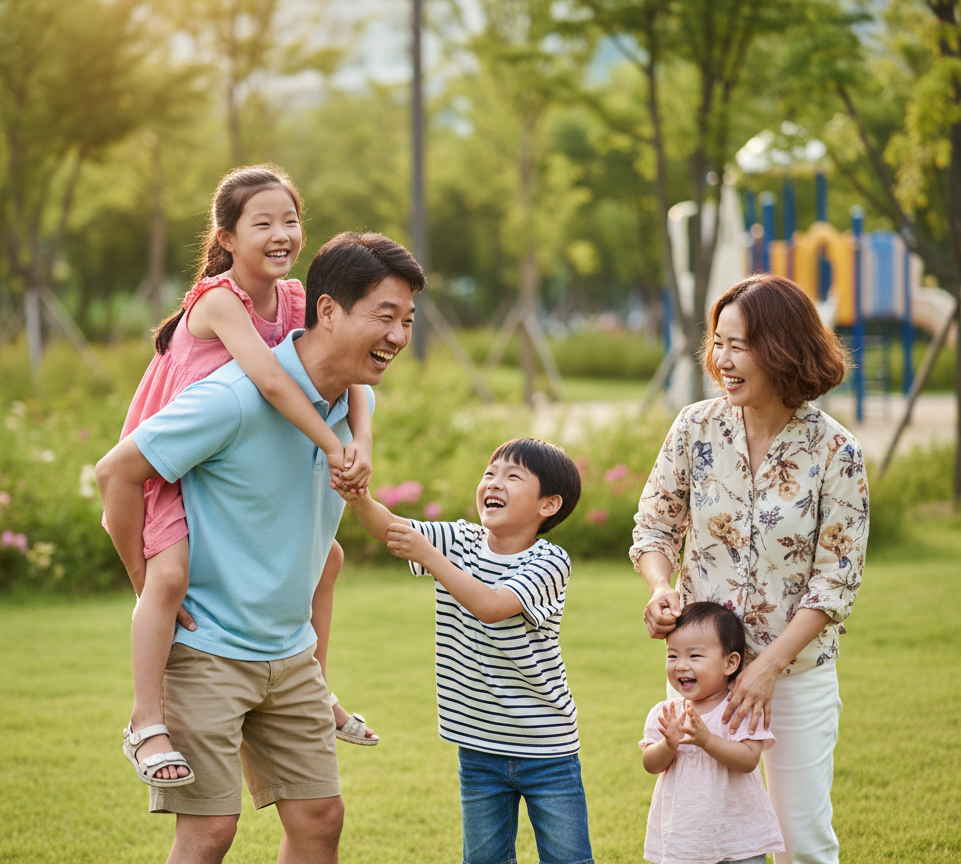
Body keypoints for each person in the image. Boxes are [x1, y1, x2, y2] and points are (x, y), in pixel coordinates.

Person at [96, 230, 424, 863]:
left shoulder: (358, 402)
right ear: (327, 310)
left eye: (407, 321)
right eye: (385, 316)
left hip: (292, 656)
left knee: (320, 819)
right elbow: (117, 473)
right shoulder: (234, 399)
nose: (399, 337)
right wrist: (147, 582)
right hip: (208, 651)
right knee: (209, 833)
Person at [113, 165, 378, 789]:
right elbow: (270, 380)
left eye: (291, 220)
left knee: (327, 558)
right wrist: (330, 446)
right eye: (263, 222)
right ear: (226, 237)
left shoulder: (292, 300)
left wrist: (359, 441)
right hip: (172, 458)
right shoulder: (217, 299)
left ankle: (313, 688)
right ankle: (145, 721)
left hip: (218, 453)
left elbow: (347, 369)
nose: (282, 233)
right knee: (169, 576)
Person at [630, 274, 868, 864]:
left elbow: (834, 581)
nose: (723, 360)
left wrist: (767, 667)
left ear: (784, 349)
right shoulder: (695, 426)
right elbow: (655, 525)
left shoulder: (837, 452)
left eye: (740, 345)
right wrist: (662, 586)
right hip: (701, 670)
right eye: (718, 342)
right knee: (700, 839)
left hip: (793, 677)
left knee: (800, 841)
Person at [337, 437, 593, 864]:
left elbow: (491, 607)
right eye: (490, 472)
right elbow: (390, 529)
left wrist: (431, 558)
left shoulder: (550, 562)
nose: (494, 482)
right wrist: (360, 497)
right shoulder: (460, 539)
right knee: (483, 859)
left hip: (545, 747)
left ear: (547, 505)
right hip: (477, 745)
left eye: (513, 476)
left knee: (568, 859)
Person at [640, 601, 785, 864]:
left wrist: (706, 740)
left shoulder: (739, 709)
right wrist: (668, 745)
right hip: (686, 839)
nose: (681, 665)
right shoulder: (666, 713)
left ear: (730, 663)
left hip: (740, 836)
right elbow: (650, 764)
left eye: (694, 656)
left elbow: (749, 759)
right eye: (672, 656)